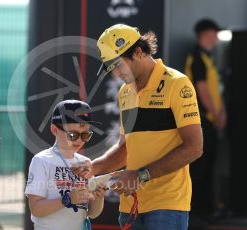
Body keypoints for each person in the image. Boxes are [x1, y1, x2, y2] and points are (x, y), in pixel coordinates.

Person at [73, 24, 203, 230]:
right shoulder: (125, 92)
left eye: (117, 65)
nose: (115, 73)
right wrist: (93, 168)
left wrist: (140, 175)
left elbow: (194, 147)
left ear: (139, 52)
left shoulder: (178, 83)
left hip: (167, 204)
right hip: (130, 206)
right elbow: (125, 149)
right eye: (110, 68)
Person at [25, 99, 106, 230]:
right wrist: (67, 199)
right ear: (54, 129)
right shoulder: (41, 160)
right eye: (73, 134)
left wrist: (99, 198)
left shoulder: (86, 163)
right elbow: (36, 209)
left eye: (85, 135)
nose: (79, 140)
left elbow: (92, 213)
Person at [184, 18, 227, 220]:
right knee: (200, 167)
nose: (217, 37)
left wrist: (221, 112)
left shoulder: (208, 57)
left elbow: (215, 89)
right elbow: (201, 89)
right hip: (201, 121)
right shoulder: (196, 56)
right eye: (214, 32)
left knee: (208, 166)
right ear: (206, 34)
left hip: (211, 120)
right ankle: (198, 211)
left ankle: (207, 209)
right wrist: (215, 113)